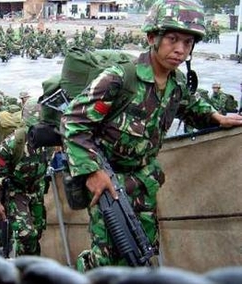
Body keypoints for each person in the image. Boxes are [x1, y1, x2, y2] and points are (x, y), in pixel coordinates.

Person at [60, 0, 242, 272]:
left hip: (145, 180)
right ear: (152, 38)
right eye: (172, 39)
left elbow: (188, 105)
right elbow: (73, 123)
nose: (180, 49)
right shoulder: (119, 79)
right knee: (108, 255)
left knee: (142, 250)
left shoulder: (176, 81)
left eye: (188, 43)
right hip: (108, 182)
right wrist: (92, 172)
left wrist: (215, 117)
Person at [0, 97, 48, 256]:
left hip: (36, 191)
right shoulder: (12, 143)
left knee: (38, 232)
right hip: (17, 193)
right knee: (26, 234)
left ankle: (34, 265)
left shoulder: (48, 138)